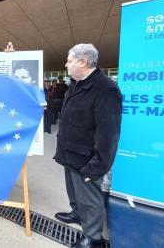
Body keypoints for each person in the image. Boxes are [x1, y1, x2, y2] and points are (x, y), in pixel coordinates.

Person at [54, 44, 122, 248]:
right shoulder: (76, 84)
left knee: (90, 199)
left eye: (69, 60)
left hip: (86, 159)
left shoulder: (106, 89)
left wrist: (97, 167)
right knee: (74, 192)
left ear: (82, 61)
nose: (66, 64)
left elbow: (109, 133)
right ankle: (77, 213)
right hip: (69, 152)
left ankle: (93, 238)